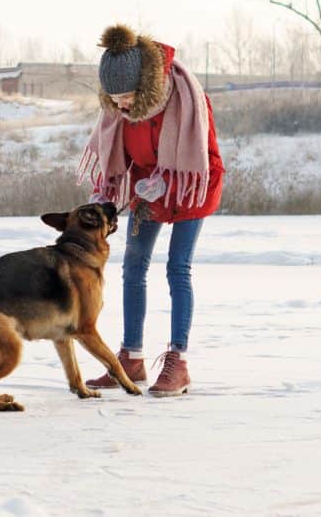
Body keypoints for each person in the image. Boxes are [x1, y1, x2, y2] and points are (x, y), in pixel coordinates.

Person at [77, 24, 224, 396]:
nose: (121, 105)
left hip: (193, 185)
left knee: (178, 267)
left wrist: (169, 181)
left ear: (144, 86)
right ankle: (132, 357)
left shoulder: (188, 98)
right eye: (114, 98)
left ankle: (178, 362)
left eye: (126, 96)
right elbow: (118, 160)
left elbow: (202, 158)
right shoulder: (119, 111)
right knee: (134, 266)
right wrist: (105, 191)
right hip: (148, 189)